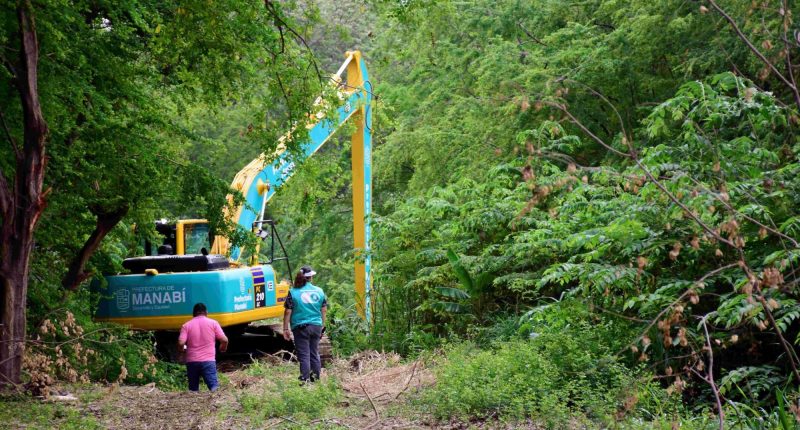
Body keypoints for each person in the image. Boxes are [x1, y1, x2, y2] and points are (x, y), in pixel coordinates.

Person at [283, 265, 327, 383]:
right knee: (314, 353)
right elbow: (324, 309)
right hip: (316, 326)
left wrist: (285, 328)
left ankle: (305, 380)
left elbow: (288, 311)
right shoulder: (319, 291)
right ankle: (316, 380)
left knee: (304, 355)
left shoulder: (293, 292)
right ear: (311, 277)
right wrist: (322, 325)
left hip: (300, 327)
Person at [178, 303, 228, 392]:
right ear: (206, 312)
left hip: (192, 361)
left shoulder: (186, 326)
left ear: (193, 313)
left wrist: (182, 351)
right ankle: (215, 399)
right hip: (208, 361)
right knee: (214, 387)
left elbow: (181, 343)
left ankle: (194, 399)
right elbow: (224, 340)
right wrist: (222, 348)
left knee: (193, 389)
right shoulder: (213, 323)